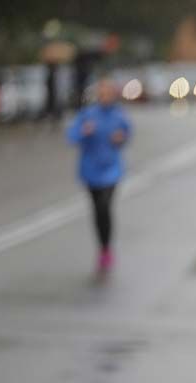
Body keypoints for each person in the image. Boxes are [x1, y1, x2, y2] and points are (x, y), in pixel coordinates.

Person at [66, 78, 131, 276]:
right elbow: (71, 136)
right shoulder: (88, 115)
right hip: (90, 171)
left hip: (111, 169)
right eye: (101, 93)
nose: (105, 96)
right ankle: (102, 246)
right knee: (97, 211)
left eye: (108, 93)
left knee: (105, 206)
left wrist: (121, 138)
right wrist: (84, 132)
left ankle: (106, 248)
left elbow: (127, 134)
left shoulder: (119, 115)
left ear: (113, 95)